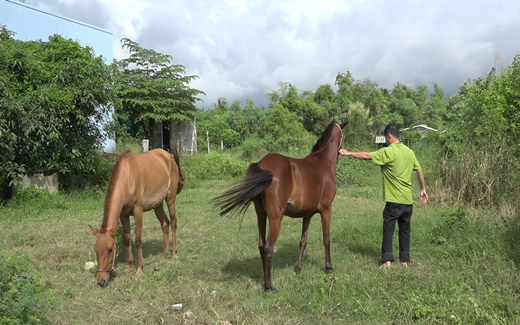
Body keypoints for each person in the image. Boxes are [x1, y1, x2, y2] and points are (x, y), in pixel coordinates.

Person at [339, 123, 428, 268]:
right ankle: (404, 261)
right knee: (405, 230)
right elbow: (419, 169)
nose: (386, 141)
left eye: (386, 138)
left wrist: (348, 153)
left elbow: (367, 156)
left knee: (389, 229)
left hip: (394, 201)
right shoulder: (409, 152)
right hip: (408, 202)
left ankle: (387, 261)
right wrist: (423, 189)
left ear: (390, 136)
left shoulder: (388, 151)